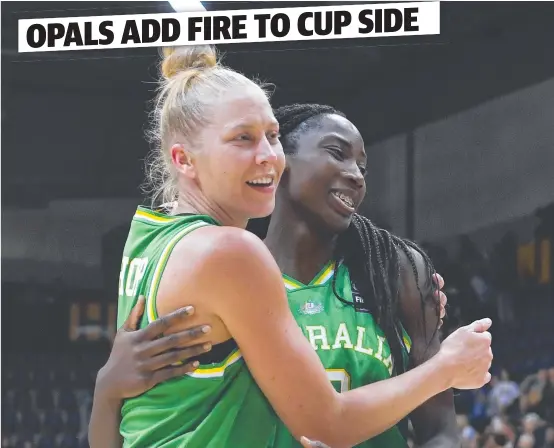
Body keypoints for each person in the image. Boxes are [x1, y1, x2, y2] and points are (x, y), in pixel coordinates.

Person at [90, 45, 493, 448]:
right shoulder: (232, 252)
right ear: (184, 160)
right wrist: (448, 366)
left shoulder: (146, 238)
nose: (267, 155)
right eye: (242, 139)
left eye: (271, 136)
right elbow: (326, 426)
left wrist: (106, 389)